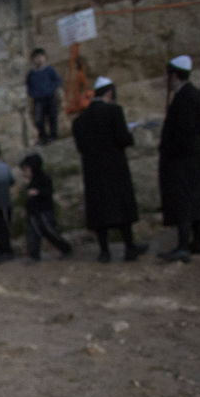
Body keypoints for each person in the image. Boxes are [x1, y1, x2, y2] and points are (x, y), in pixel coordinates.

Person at [71, 76, 147, 262]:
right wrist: (129, 133)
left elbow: (81, 147)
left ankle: (104, 251)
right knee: (122, 207)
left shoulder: (79, 121)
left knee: (100, 210)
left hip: (93, 171)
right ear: (110, 93)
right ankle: (129, 247)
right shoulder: (114, 111)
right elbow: (123, 139)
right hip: (115, 168)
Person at [157, 55, 200, 263]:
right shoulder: (192, 94)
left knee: (183, 201)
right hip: (192, 155)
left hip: (182, 159)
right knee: (194, 198)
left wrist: (171, 150)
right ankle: (198, 240)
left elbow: (184, 131)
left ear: (174, 76)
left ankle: (183, 246)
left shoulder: (185, 98)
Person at [18, 152, 73, 262]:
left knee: (50, 232)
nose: (24, 172)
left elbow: (48, 192)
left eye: (26, 169)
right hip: (33, 213)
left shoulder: (44, 178)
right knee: (32, 234)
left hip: (44, 212)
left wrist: (38, 192)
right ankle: (34, 255)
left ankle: (66, 248)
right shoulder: (32, 181)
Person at [26, 48, 63, 144]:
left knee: (52, 117)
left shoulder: (49, 70)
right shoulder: (31, 74)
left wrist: (51, 89)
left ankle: (53, 136)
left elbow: (57, 81)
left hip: (50, 97)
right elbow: (29, 86)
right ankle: (43, 137)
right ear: (32, 59)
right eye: (36, 57)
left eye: (40, 57)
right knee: (39, 119)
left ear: (45, 58)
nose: (39, 59)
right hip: (38, 100)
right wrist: (33, 93)